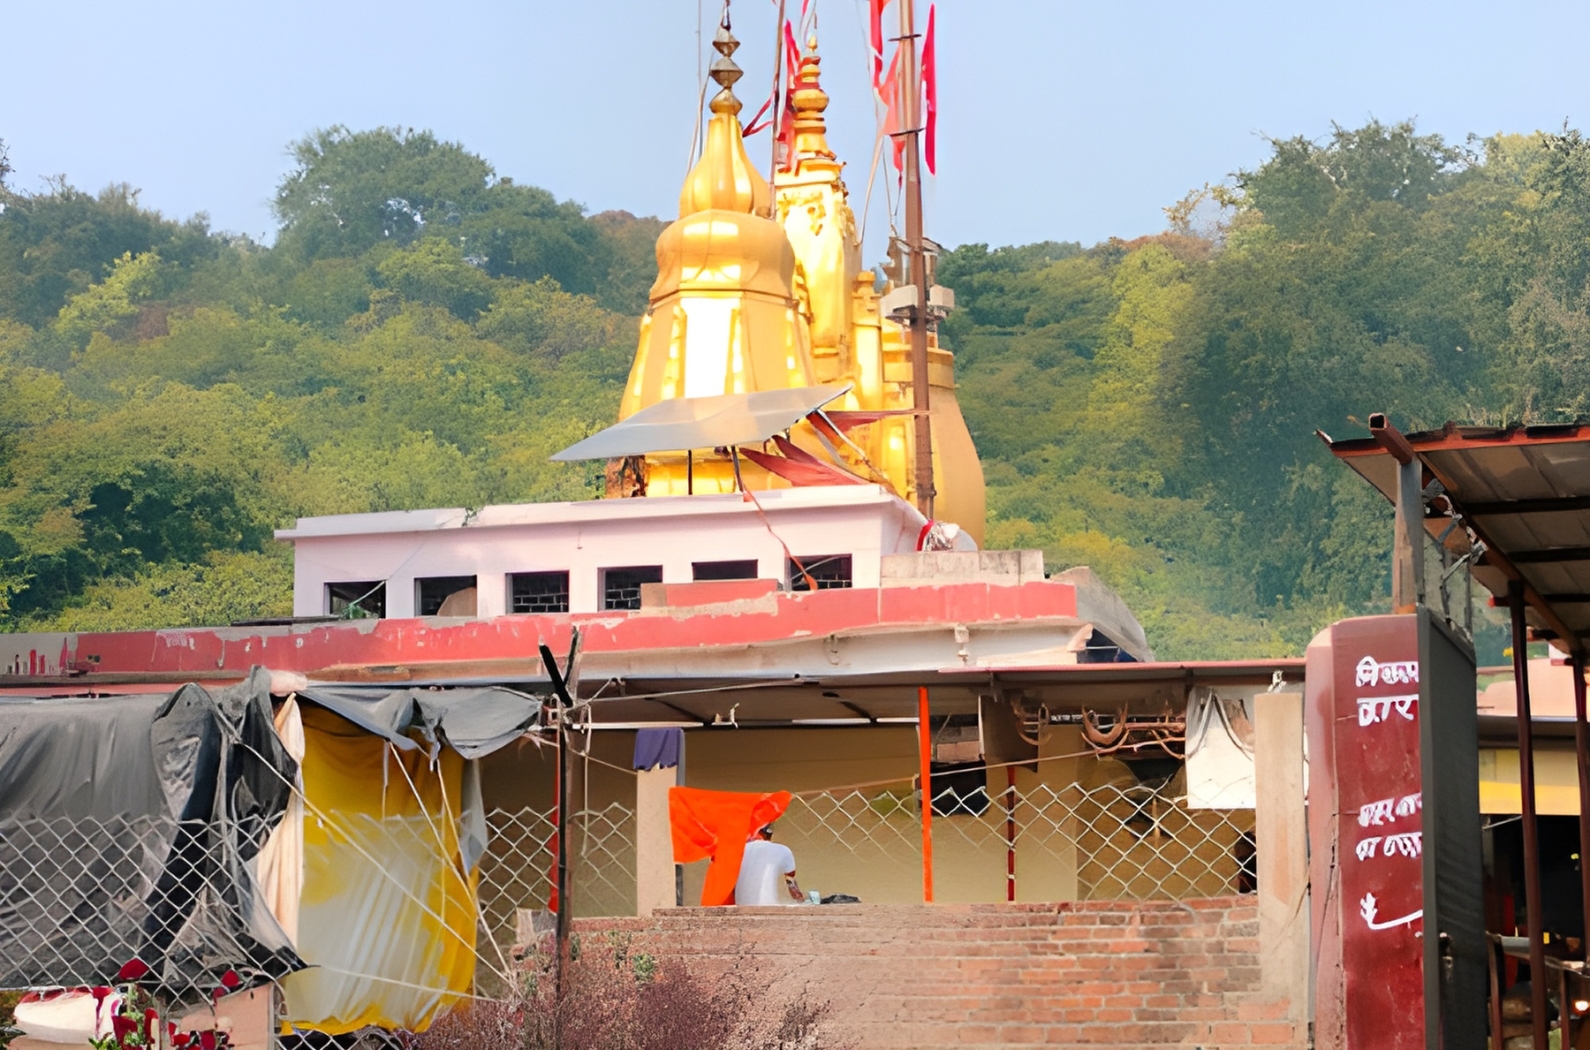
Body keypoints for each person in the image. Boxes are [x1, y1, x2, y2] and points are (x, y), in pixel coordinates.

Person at [735, 823, 803, 905]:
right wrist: (803, 900)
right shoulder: (783, 850)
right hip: (769, 907)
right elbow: (793, 888)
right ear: (770, 834)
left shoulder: (738, 851)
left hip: (740, 907)